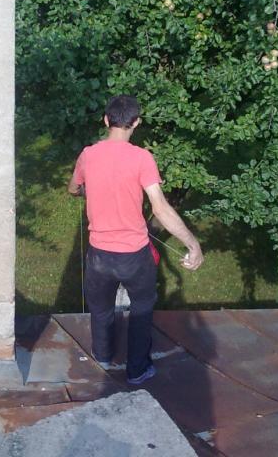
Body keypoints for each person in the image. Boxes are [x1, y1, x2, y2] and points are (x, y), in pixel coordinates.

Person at [68, 95, 204, 384]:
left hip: (99, 256)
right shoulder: (143, 158)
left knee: (101, 311)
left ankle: (103, 357)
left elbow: (73, 188)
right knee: (141, 312)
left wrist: (87, 190)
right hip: (135, 257)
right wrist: (193, 244)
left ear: (106, 120)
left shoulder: (88, 154)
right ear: (137, 122)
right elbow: (160, 207)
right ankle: (137, 371)